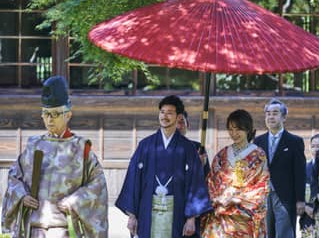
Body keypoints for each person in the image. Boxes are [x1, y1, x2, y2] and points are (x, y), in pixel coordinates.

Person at [1, 75, 108, 238]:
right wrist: (22, 196)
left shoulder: (81, 148)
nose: (50, 119)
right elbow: (14, 177)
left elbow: (97, 184)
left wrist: (74, 201)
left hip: (65, 228)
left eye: (56, 114)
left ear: (68, 115)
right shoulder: (33, 146)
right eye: (46, 114)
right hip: (34, 229)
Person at [115, 95, 212, 238]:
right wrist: (132, 215)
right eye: (162, 112)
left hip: (177, 212)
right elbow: (134, 180)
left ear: (178, 117)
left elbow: (195, 182)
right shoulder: (145, 146)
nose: (164, 116)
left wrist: (191, 218)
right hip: (148, 209)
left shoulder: (187, 148)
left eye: (170, 113)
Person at [202, 109, 269, 238]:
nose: (234, 133)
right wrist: (220, 198)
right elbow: (212, 180)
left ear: (248, 129)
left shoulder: (258, 155)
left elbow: (261, 184)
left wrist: (235, 198)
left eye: (238, 129)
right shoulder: (222, 154)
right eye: (231, 129)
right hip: (221, 212)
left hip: (244, 216)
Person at [254, 99, 306, 238]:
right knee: (265, 233)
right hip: (263, 196)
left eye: (275, 113)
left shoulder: (294, 141)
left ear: (284, 117)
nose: (271, 117)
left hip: (285, 196)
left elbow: (300, 172)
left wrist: (300, 200)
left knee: (284, 233)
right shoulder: (258, 141)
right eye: (268, 114)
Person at [301, 134, 319, 236]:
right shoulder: (304, 168)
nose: (315, 149)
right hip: (307, 213)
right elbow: (298, 190)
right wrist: (305, 207)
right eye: (313, 146)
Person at [176, 110, 210, 177]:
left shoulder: (198, 148)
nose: (177, 126)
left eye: (181, 122)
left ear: (187, 125)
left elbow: (207, 178)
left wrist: (201, 166)